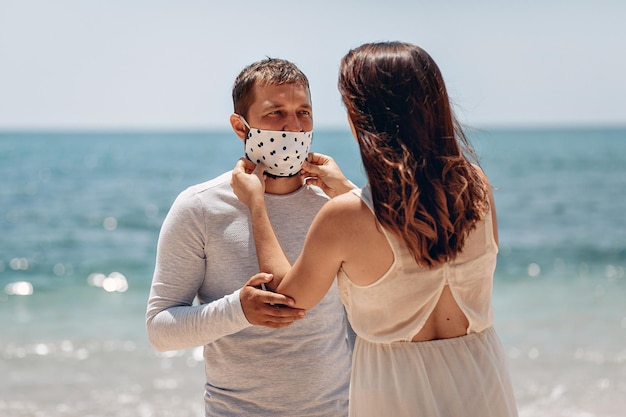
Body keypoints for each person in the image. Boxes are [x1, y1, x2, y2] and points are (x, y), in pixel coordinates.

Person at [231, 41, 519, 417]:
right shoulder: (476, 186)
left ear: (363, 116)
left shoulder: (343, 218)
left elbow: (285, 302)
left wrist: (256, 205)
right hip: (481, 378)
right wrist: (348, 189)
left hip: (395, 390)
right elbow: (414, 253)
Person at [146, 58, 352, 416]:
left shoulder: (336, 204)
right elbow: (160, 330)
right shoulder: (199, 207)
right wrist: (238, 310)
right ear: (240, 127)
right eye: (276, 114)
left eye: (304, 112)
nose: (293, 126)